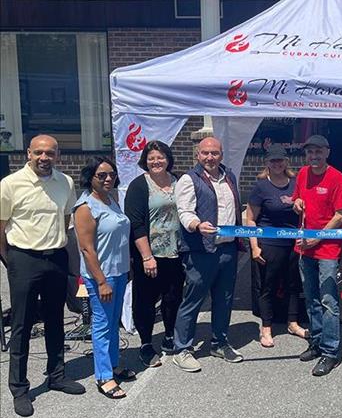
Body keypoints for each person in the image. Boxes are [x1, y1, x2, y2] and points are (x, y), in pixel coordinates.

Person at [0, 135, 86, 417]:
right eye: (38, 152)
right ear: (29, 153)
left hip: (56, 257)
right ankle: (20, 388)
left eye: (49, 153)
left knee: (55, 320)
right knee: (22, 324)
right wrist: (10, 260)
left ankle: (57, 375)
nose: (44, 157)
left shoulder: (65, 182)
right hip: (24, 258)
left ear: (57, 155)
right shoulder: (10, 185)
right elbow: (0, 227)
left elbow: (64, 219)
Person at [172, 137, 244, 372]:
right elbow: (184, 210)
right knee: (193, 300)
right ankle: (182, 349)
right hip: (202, 250)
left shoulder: (230, 176)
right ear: (197, 155)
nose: (210, 157)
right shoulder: (188, 179)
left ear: (221, 155)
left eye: (214, 153)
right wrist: (195, 225)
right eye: (205, 153)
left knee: (224, 299)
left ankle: (219, 342)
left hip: (228, 248)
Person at [74, 156, 135, 399]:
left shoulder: (111, 200)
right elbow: (87, 249)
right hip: (101, 276)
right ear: (90, 177)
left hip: (119, 272)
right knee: (101, 325)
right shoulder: (86, 207)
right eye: (102, 175)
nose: (108, 179)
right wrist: (101, 281)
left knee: (113, 323)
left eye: (111, 174)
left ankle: (113, 364)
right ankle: (103, 376)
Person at [292, 135, 342, 377]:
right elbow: (298, 198)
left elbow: (340, 215)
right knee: (311, 298)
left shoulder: (337, 177)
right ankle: (316, 341)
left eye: (318, 152)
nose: (314, 156)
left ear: (327, 152)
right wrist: (297, 203)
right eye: (310, 152)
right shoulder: (303, 173)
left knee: (328, 300)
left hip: (326, 248)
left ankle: (330, 351)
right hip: (304, 247)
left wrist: (317, 237)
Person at [124, 140, 185, 368]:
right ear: (145, 161)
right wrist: (147, 256)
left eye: (160, 157)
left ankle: (169, 334)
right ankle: (146, 343)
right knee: (145, 301)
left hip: (176, 252)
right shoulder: (139, 185)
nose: (156, 162)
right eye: (151, 158)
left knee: (173, 297)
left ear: (168, 159)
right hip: (150, 255)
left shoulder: (179, 181)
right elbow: (136, 224)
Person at [245, 144, 306, 348]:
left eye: (280, 160)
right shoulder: (261, 186)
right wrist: (254, 246)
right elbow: (251, 218)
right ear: (267, 163)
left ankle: (293, 322)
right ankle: (266, 328)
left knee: (293, 285)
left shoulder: (296, 183)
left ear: (286, 161)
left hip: (293, 243)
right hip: (269, 243)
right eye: (273, 160)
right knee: (267, 286)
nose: (277, 163)